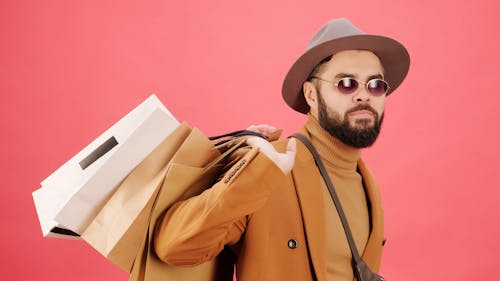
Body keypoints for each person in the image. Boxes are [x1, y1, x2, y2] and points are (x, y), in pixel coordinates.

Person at [154, 18, 410, 281]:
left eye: (375, 85)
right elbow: (174, 248)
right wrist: (251, 178)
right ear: (311, 95)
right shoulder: (269, 167)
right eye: (346, 83)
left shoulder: (368, 185)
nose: (363, 95)